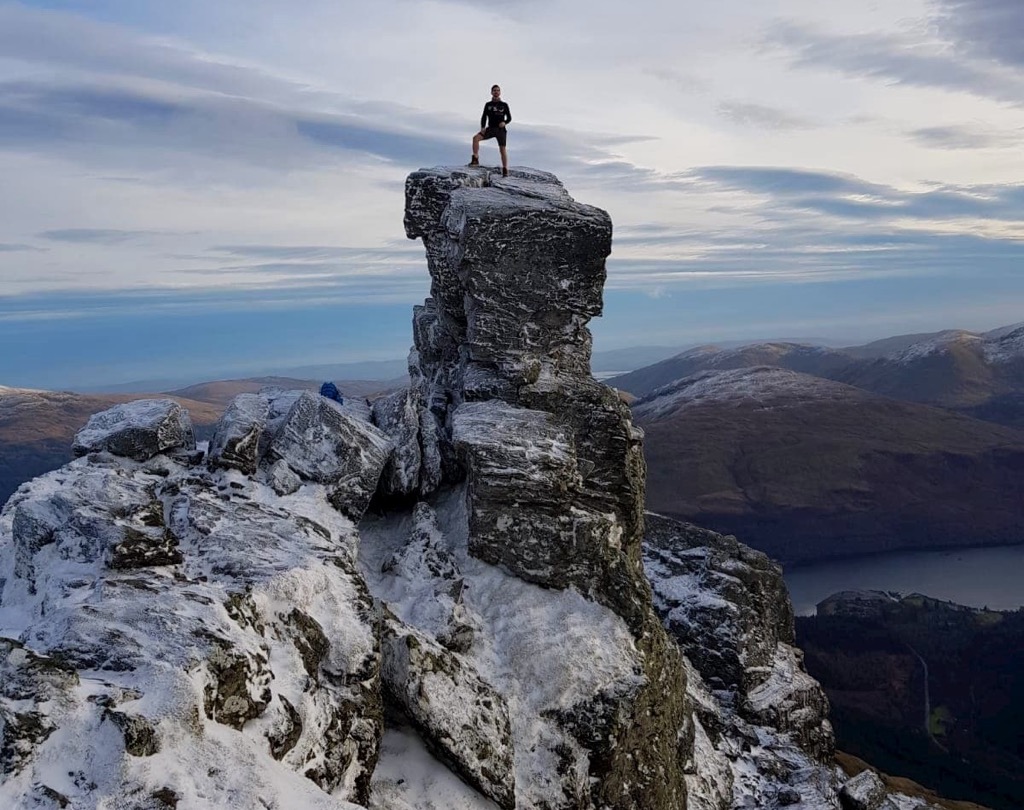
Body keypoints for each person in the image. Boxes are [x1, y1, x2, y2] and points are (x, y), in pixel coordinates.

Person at [469, 84, 511, 177]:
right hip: (490, 129)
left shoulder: (504, 105)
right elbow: (484, 116)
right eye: (494, 90)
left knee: (502, 149)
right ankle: (475, 159)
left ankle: (505, 169)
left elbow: (509, 118)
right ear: (491, 92)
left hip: (501, 130)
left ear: (500, 92)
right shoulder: (488, 105)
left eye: (498, 90)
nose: (496, 92)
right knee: (475, 138)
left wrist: (505, 122)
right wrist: (483, 127)